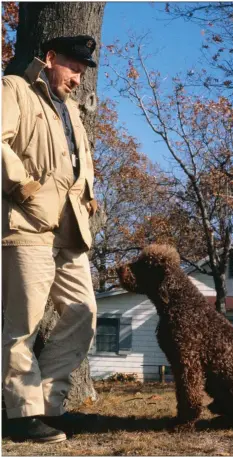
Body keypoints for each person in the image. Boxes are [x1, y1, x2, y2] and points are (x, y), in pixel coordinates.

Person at [2, 35, 99, 443]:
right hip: (26, 225)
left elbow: (78, 161)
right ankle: (20, 415)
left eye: (82, 71)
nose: (78, 78)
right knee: (19, 326)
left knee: (83, 314)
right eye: (73, 67)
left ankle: (46, 406)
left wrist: (89, 195)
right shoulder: (15, 89)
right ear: (50, 58)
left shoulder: (73, 111)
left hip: (70, 230)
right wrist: (21, 185)